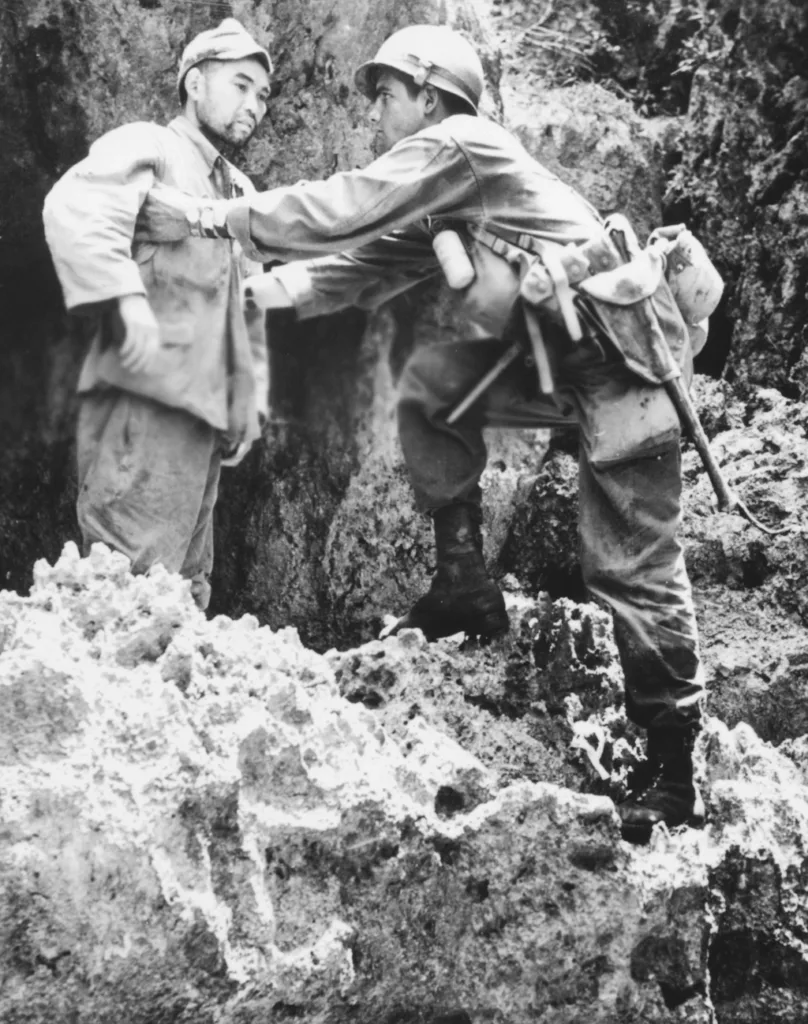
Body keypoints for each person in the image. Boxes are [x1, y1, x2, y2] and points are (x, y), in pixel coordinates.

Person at [135, 24, 707, 842]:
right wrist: (268, 293)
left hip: (625, 368)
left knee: (629, 564)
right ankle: (465, 585)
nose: (377, 114)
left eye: (387, 96)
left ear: (432, 97)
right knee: (433, 389)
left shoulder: (464, 144)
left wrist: (204, 214)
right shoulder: (451, 195)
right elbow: (364, 265)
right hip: (560, 367)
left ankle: (675, 767)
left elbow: (346, 207)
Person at [42, 18, 271, 610]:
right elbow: (77, 201)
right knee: (129, 588)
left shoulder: (238, 190)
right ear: (195, 85)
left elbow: (249, 303)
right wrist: (123, 299)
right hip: (142, 411)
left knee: (187, 599)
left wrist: (250, 397)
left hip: (203, 428)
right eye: (241, 85)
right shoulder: (151, 145)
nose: (255, 104)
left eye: (263, 94)